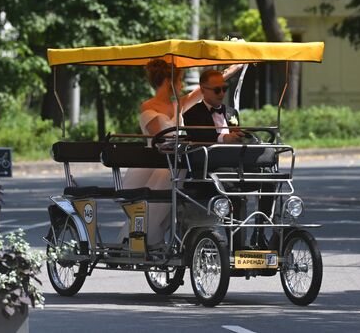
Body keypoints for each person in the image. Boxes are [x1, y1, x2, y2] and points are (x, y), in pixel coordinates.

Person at [117, 60, 242, 246]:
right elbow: (158, 137)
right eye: (180, 81)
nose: (182, 86)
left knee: (176, 205)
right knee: (155, 211)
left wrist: (236, 67)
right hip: (158, 164)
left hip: (179, 163)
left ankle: (177, 243)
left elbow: (205, 89)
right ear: (169, 82)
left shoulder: (179, 104)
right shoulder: (148, 106)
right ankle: (139, 241)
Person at [183, 69, 273, 248]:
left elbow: (236, 135)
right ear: (203, 89)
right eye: (217, 90)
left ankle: (260, 233)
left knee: (269, 179)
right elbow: (197, 137)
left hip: (235, 164)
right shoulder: (192, 114)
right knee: (233, 187)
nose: (222, 93)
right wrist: (223, 139)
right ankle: (238, 245)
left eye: (224, 88)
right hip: (209, 168)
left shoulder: (231, 112)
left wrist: (242, 137)